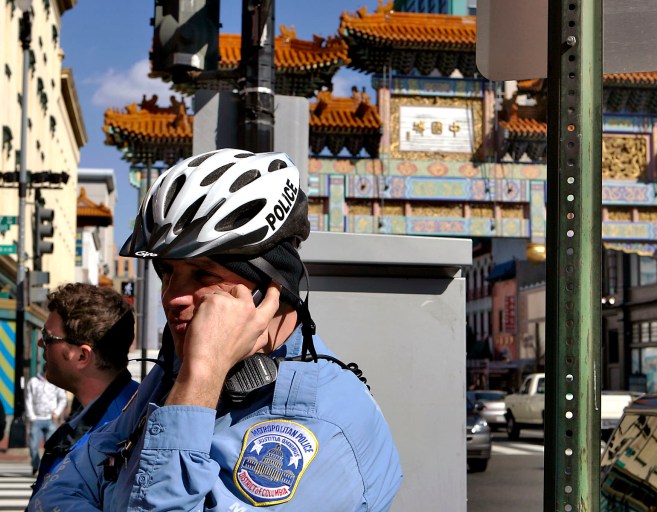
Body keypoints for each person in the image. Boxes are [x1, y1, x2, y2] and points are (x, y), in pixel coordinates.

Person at [32, 149, 402, 511]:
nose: (173, 297)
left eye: (204, 275)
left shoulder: (325, 424)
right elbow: (57, 492)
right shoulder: (172, 374)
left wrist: (200, 378)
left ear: (271, 288)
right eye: (168, 273)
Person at [29, 283, 140, 497]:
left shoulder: (120, 432)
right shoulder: (112, 413)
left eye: (49, 337)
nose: (42, 343)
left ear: (82, 356)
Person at [24, 365, 67, 476]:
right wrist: (32, 416)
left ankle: (47, 469)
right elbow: (28, 399)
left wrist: (57, 412)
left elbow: (63, 398)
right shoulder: (33, 382)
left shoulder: (56, 382)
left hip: (50, 419)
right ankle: (35, 465)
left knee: (51, 448)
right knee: (33, 446)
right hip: (36, 419)